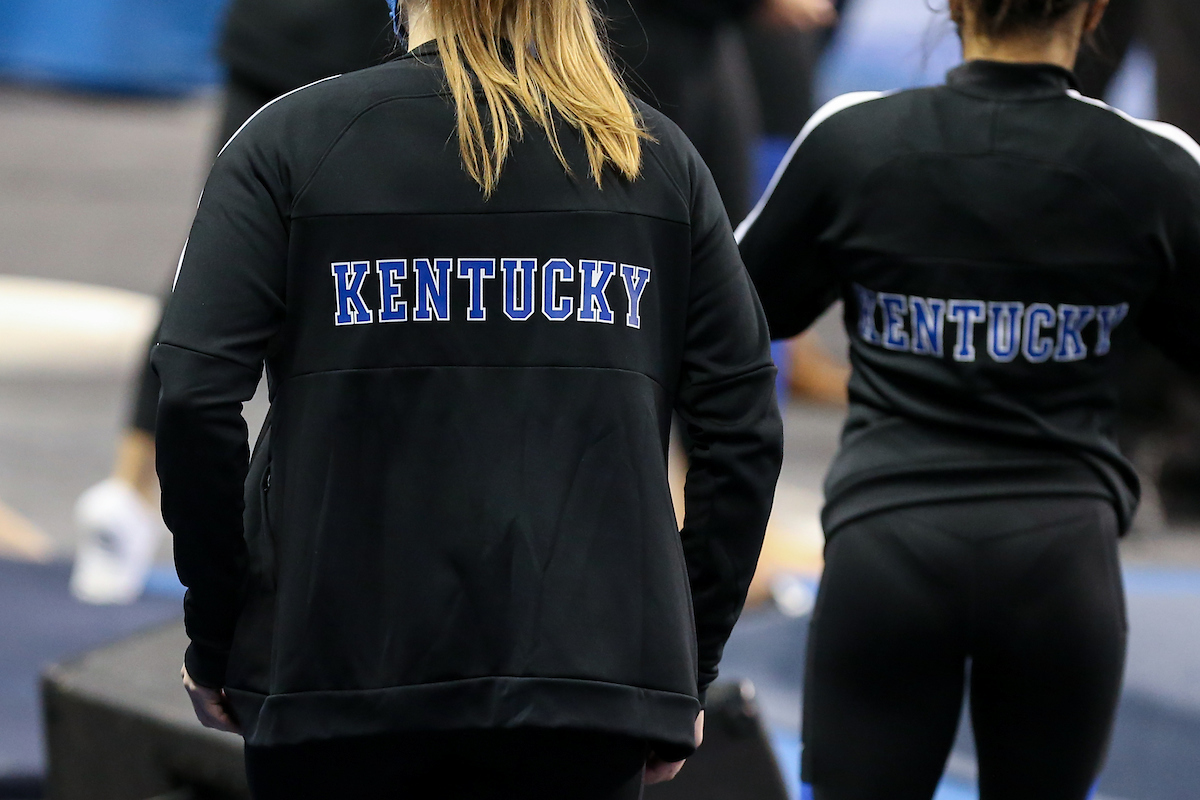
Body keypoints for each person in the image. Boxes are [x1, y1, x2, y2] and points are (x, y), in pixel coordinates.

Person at [156, 0, 784, 796]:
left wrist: (222, 632)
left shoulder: (292, 139)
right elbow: (744, 431)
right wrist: (676, 669)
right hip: (584, 684)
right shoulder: (653, 159)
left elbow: (193, 396)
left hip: (336, 671)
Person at [738, 0, 1200, 796]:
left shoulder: (856, 139)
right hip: (1061, 565)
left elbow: (728, 310)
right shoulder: (1156, 168)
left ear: (952, 6)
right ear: (1096, 12)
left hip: (888, 552)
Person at [70, 0, 392, 604]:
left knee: (219, 254)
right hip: (363, 55)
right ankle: (128, 505)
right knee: (376, 270)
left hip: (286, 38)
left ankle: (126, 493)